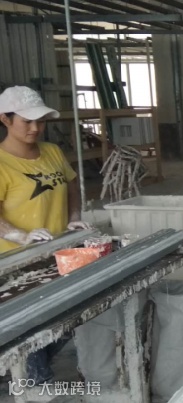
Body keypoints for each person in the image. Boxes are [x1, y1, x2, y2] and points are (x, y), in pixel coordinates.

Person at [0, 86, 92, 382]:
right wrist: (21, 236)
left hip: (58, 254)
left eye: (40, 121)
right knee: (32, 328)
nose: (35, 128)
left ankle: (31, 374)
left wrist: (74, 218)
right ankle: (35, 383)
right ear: (5, 119)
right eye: (26, 121)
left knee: (67, 320)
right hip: (17, 264)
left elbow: (71, 186)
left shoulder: (52, 151)